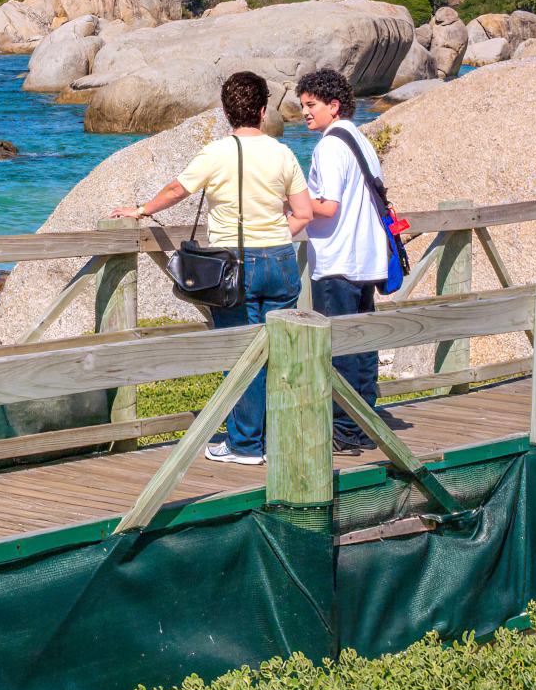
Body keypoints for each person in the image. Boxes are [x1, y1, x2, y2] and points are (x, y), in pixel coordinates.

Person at [113, 70, 311, 466]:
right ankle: (280, 437)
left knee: (241, 355)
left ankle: (246, 445)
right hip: (280, 259)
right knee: (282, 353)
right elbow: (303, 213)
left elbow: (176, 190)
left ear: (226, 112)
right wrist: (272, 236)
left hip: (237, 265)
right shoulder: (283, 153)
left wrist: (140, 209)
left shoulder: (217, 153)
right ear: (261, 109)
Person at [294, 67, 390, 454]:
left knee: (338, 349)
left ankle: (345, 433)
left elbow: (328, 206)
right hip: (365, 258)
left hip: (337, 259)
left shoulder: (330, 145)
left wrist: (292, 200)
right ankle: (365, 425)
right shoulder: (360, 139)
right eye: (302, 105)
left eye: (311, 105)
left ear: (334, 106)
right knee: (363, 347)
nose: (304, 112)